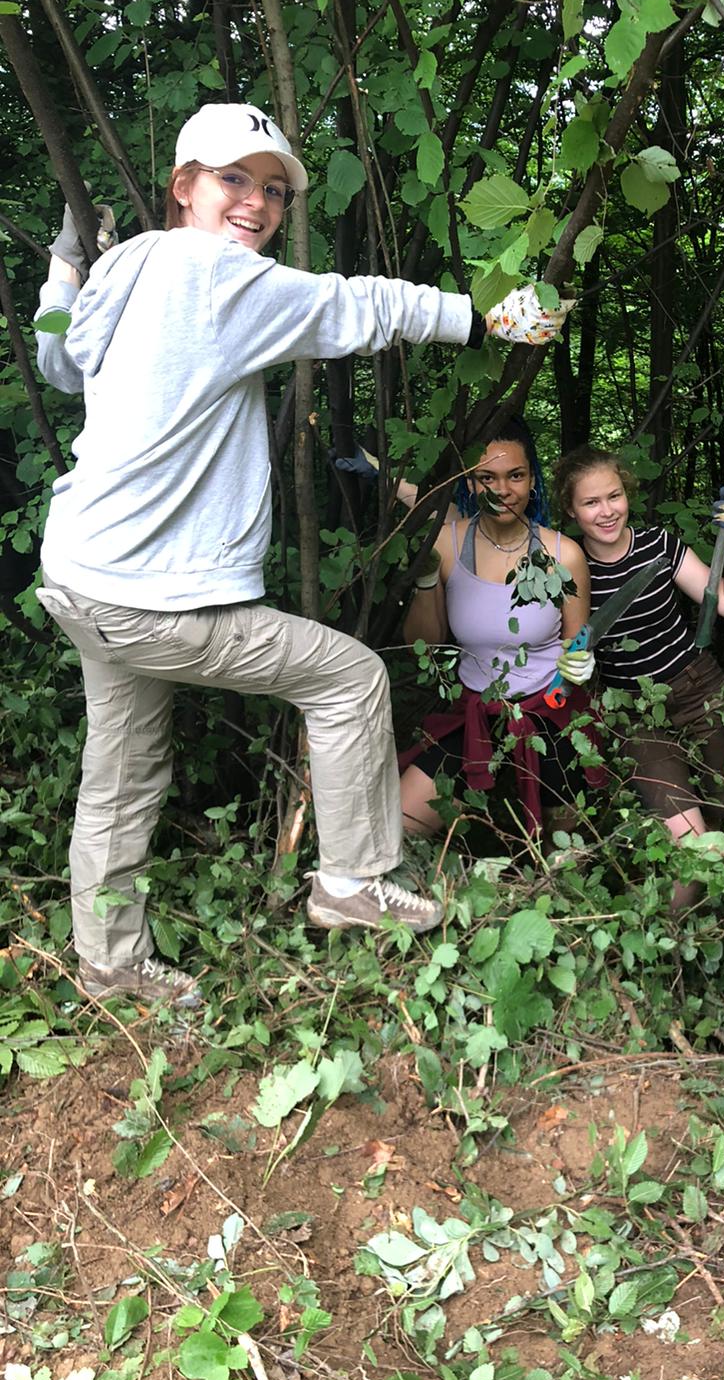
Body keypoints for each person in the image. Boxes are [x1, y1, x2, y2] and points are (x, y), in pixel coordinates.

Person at [34, 101, 570, 1006]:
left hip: (82, 577)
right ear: (184, 188)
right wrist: (486, 319)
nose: (258, 203)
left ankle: (109, 962)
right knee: (348, 678)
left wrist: (62, 271)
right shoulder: (214, 271)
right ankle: (353, 881)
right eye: (233, 180)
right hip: (147, 593)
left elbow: (60, 363)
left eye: (275, 190)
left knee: (122, 768)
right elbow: (351, 305)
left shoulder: (126, 266)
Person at [552, 446, 724, 909]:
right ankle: (666, 935)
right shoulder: (568, 568)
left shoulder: (659, 545)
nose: (607, 511)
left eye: (614, 496)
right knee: (690, 840)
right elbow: (559, 642)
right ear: (571, 509)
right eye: (591, 502)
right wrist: (570, 665)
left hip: (700, 690)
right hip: (635, 715)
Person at [399, 417, 599, 839]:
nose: (502, 490)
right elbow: (423, 644)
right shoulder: (446, 545)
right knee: (400, 825)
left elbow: (576, 644)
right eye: (486, 477)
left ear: (532, 480)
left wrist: (580, 665)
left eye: (515, 476)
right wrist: (425, 580)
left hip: (548, 710)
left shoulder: (564, 555)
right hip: (473, 712)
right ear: (469, 482)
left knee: (568, 854)